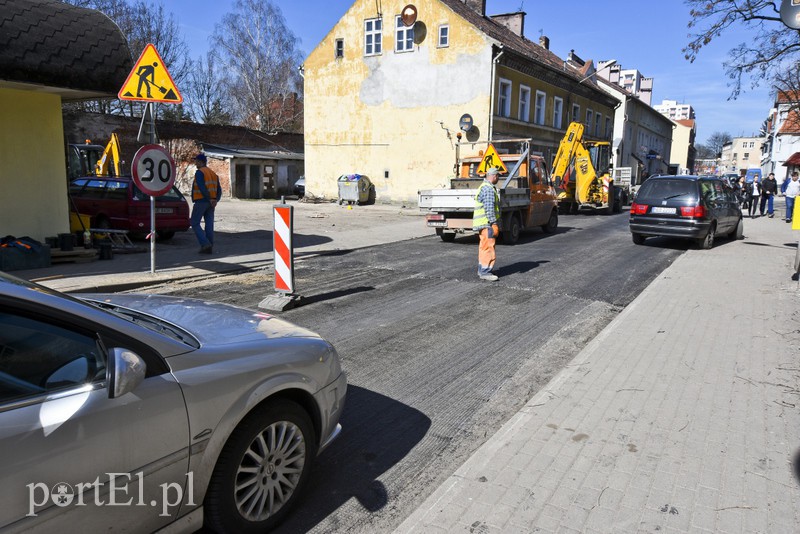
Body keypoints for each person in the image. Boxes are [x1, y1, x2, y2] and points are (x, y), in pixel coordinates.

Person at [473, 167, 501, 281]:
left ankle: (482, 270)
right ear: (494, 176)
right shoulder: (488, 189)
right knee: (488, 247)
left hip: (483, 224)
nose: (498, 178)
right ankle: (485, 272)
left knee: (484, 247)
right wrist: (494, 223)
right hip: (487, 224)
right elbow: (489, 208)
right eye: (498, 176)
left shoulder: (483, 187)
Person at [191, 153, 221, 254]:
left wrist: (209, 198)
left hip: (201, 201)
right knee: (209, 224)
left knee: (194, 223)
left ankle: (205, 244)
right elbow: (219, 190)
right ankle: (209, 246)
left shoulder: (200, 172)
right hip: (211, 203)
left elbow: (201, 187)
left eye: (196, 161)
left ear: (201, 162)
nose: (195, 163)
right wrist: (215, 199)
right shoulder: (213, 173)